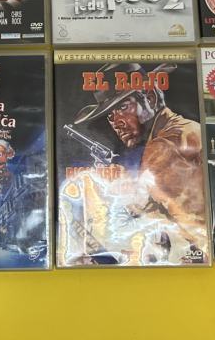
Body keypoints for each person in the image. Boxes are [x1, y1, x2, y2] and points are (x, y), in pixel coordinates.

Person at [71, 62, 207, 254]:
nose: (116, 122)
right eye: (110, 115)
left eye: (123, 107)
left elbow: (195, 229)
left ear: (150, 98)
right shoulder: (185, 128)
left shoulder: (161, 148)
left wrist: (121, 192)